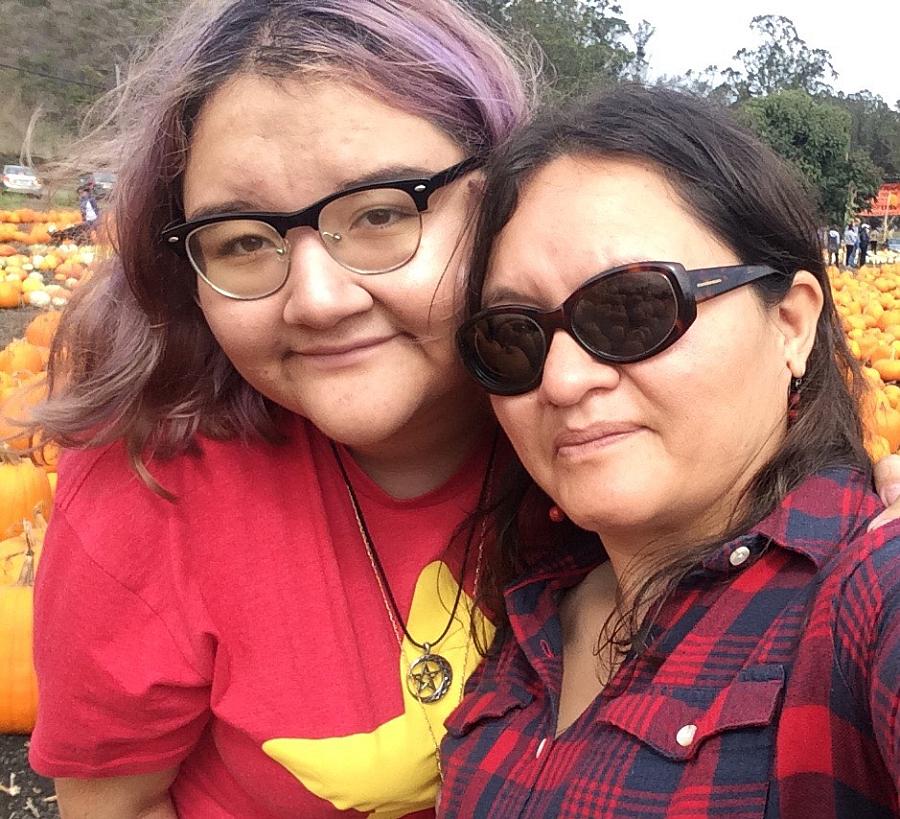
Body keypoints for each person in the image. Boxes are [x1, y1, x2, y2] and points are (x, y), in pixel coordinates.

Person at [25, 2, 534, 817]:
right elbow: (113, 806)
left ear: (506, 194)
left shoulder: (596, 423)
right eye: (244, 239)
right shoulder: (147, 489)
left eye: (379, 211)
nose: (318, 300)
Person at [441, 85, 899, 817]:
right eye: (512, 336)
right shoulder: (523, 618)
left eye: (633, 308)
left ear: (790, 322)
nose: (560, 380)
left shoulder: (867, 591)